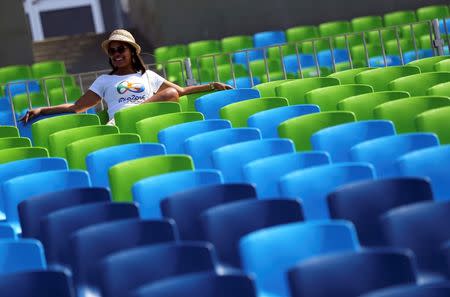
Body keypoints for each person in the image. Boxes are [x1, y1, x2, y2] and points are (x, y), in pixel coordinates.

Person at [21, 29, 232, 124]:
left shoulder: (148, 75)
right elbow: (77, 107)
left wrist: (212, 85)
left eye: (120, 49)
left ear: (132, 51)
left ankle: (134, 112)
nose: (116, 54)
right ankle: (129, 115)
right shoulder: (104, 81)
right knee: (167, 94)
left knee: (169, 92)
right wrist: (42, 110)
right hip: (120, 122)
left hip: (147, 117)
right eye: (112, 51)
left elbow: (182, 91)